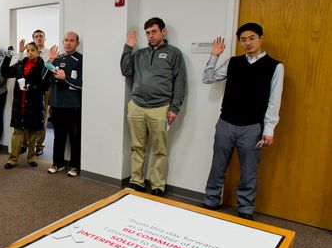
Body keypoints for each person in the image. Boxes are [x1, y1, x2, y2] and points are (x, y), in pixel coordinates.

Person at [202, 23, 284, 220]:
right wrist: (214, 56)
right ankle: (211, 200)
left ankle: (245, 208)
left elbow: (275, 100)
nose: (247, 43)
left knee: (249, 171)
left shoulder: (275, 66)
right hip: (226, 123)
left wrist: (269, 129)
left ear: (261, 38)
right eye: (243, 39)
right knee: (218, 165)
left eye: (252, 38)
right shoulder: (233, 62)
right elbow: (208, 78)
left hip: (253, 127)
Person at [120, 17, 187, 197]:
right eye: (147, 33)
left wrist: (175, 108)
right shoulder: (140, 54)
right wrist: (128, 48)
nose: (150, 36)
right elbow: (126, 71)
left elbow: (180, 82)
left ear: (163, 32)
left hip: (161, 108)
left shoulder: (174, 53)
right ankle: (137, 181)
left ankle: (158, 185)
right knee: (137, 146)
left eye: (154, 32)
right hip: (137, 106)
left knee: (159, 149)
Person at [1, 42, 49, 168]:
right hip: (19, 103)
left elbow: (45, 85)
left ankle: (32, 157)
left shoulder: (42, 66)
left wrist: (32, 87)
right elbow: (5, 72)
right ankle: (13, 159)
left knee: (32, 132)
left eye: (33, 50)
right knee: (17, 131)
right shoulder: (21, 64)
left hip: (34, 103)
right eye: (28, 50)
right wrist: (8, 55)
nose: (30, 52)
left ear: (38, 52)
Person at [46, 31, 82, 177]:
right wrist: (50, 61)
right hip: (56, 105)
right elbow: (46, 81)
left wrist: (65, 78)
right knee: (58, 136)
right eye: (66, 40)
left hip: (73, 106)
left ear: (77, 43)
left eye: (71, 41)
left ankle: (74, 165)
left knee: (74, 138)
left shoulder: (80, 60)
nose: (68, 43)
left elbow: (82, 84)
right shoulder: (57, 58)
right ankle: (58, 163)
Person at [17, 30, 51, 156]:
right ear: (33, 39)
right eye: (36, 37)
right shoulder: (28, 54)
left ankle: (39, 145)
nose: (39, 38)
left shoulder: (49, 54)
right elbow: (19, 67)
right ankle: (24, 144)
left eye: (41, 36)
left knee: (42, 118)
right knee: (27, 115)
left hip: (43, 90)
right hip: (29, 90)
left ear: (44, 38)